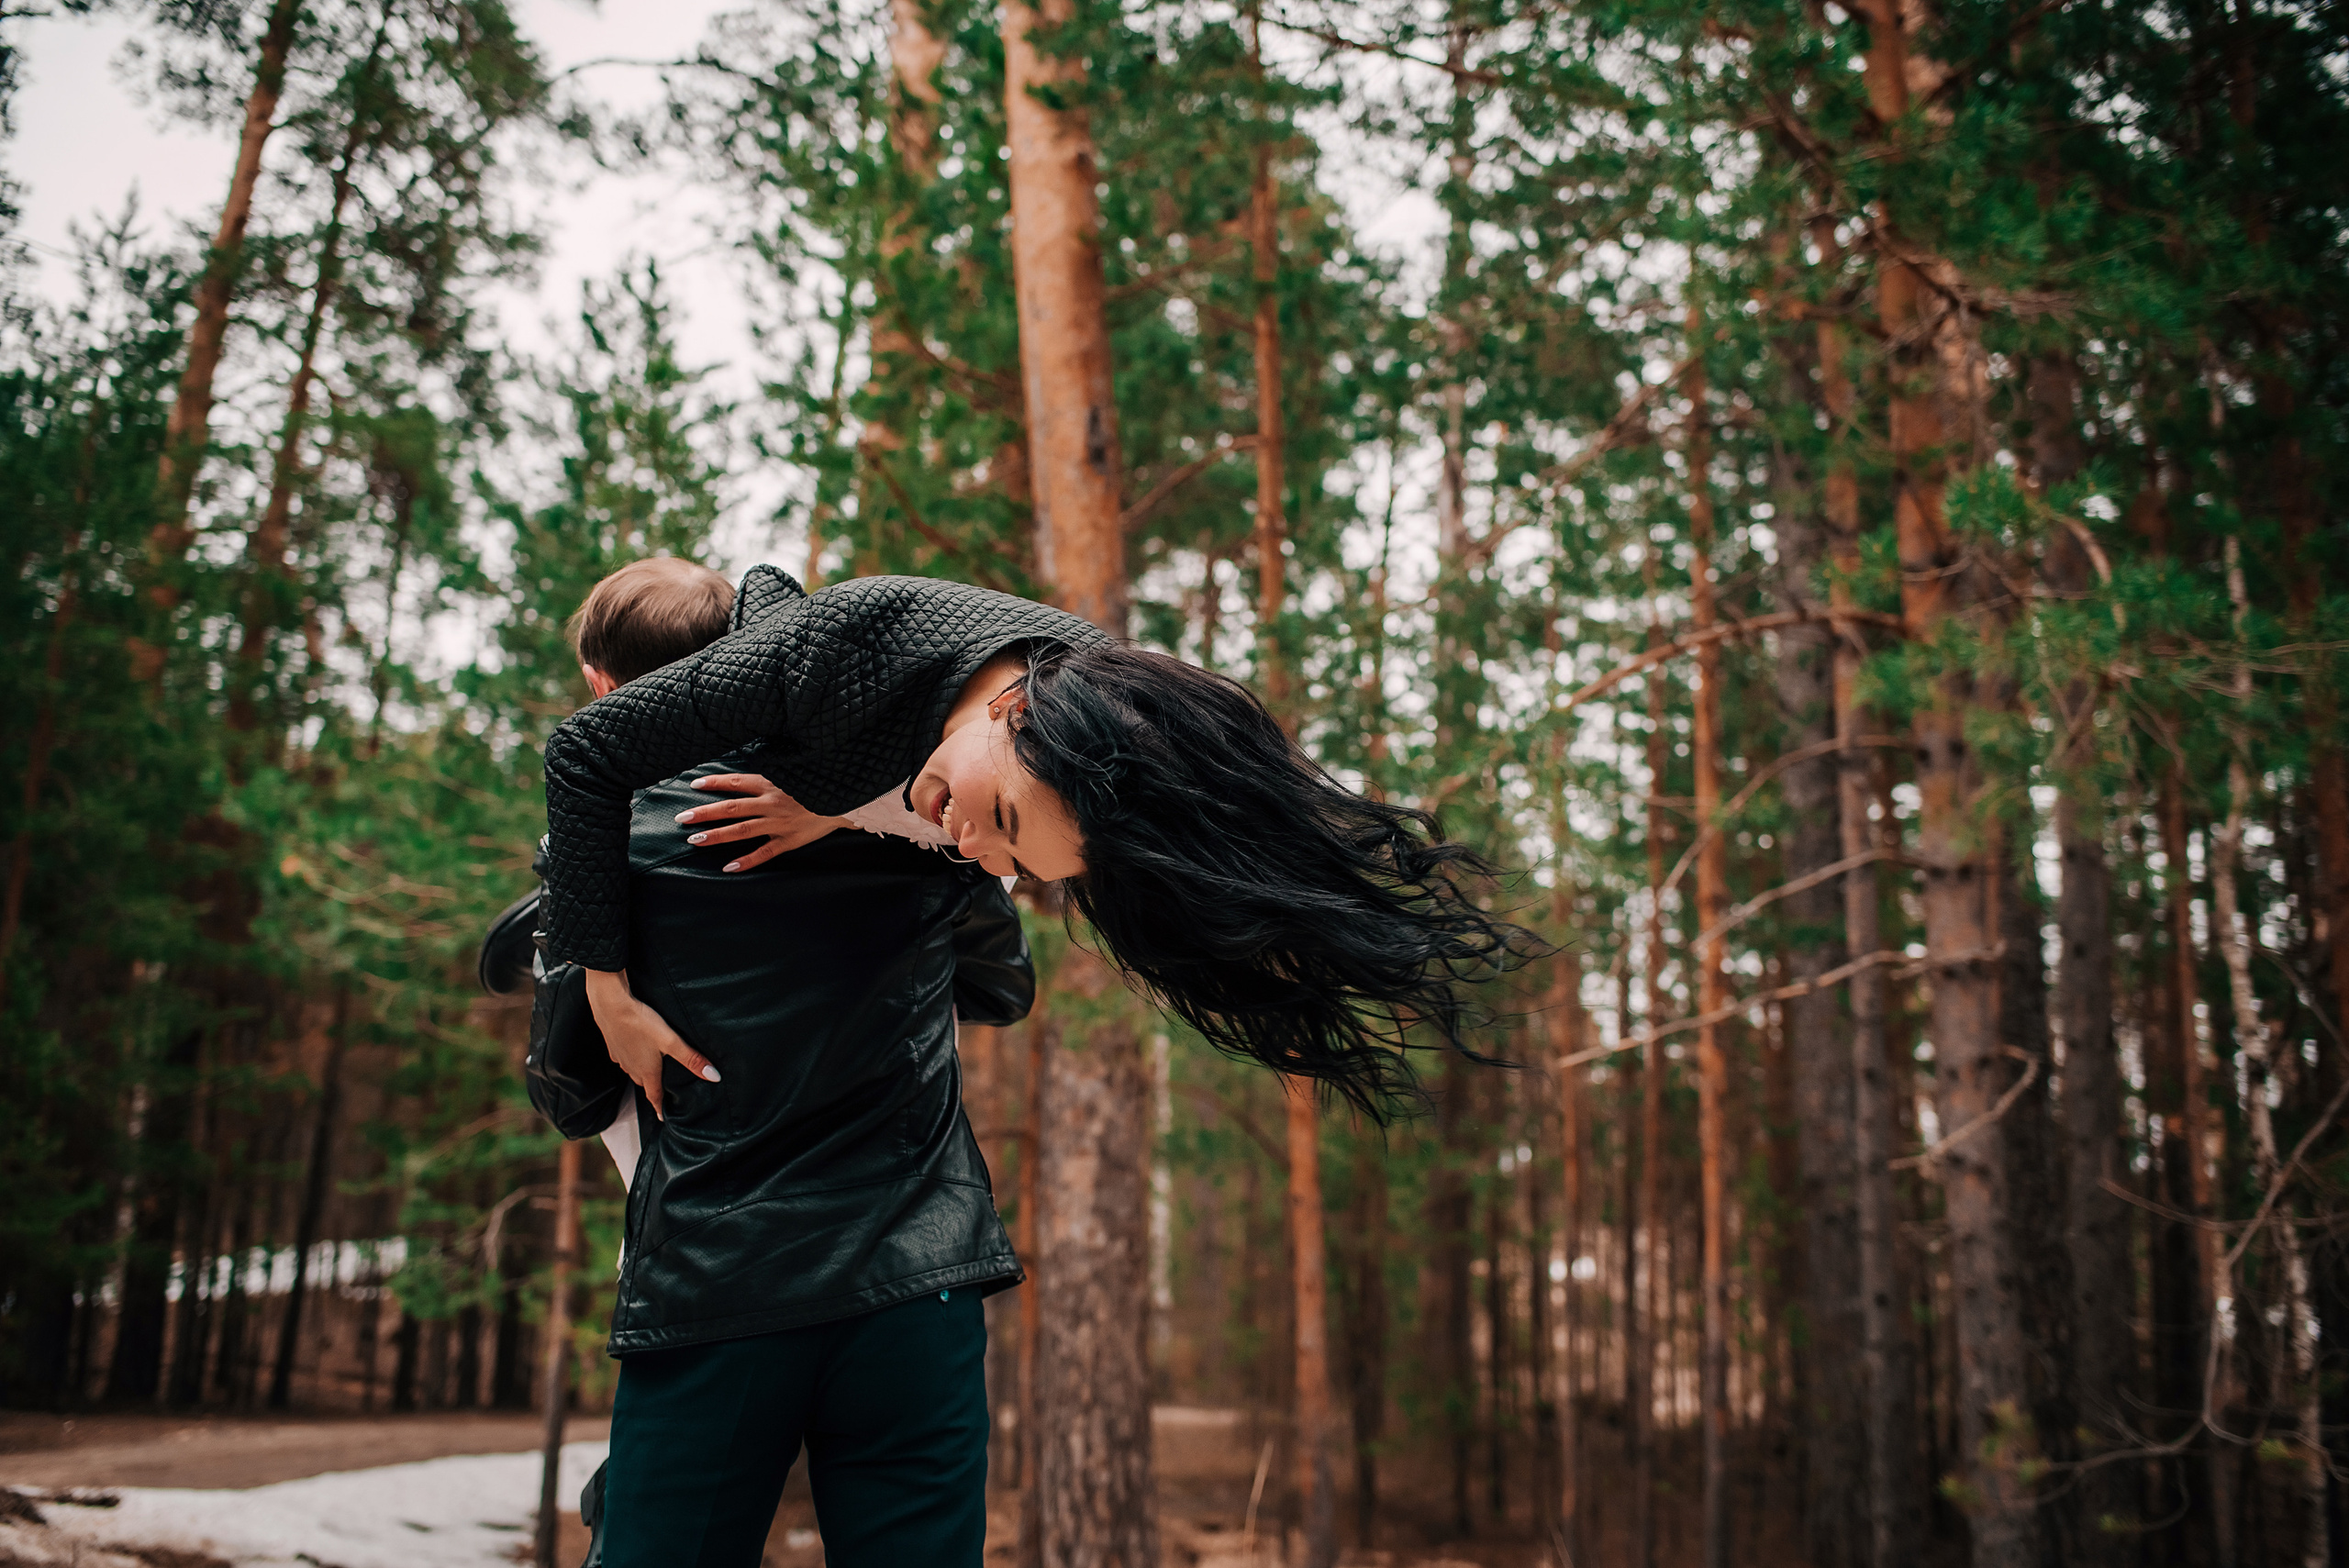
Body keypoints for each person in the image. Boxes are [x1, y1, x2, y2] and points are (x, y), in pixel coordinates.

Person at [542, 567, 1532, 1125]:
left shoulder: (1094, 719)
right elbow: (582, 751)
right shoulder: (826, 652)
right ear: (1013, 714)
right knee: (584, 1037)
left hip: (890, 770)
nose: (986, 856)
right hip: (810, 716)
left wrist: (828, 810)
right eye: (1007, 826)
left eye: (1019, 863)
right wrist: (603, 989)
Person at [517, 557, 1038, 1567]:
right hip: (916, 1277)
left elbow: (570, 1086)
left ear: (602, 687)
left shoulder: (605, 846)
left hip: (719, 1283)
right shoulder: (905, 814)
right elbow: (1003, 988)